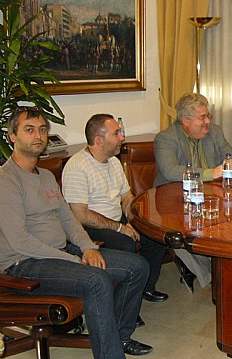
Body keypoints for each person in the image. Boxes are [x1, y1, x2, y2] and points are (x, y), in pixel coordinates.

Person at [0, 107, 153, 359]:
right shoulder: (6, 180)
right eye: (29, 129)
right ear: (11, 136)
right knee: (96, 281)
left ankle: (119, 337)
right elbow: (19, 240)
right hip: (24, 263)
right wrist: (74, 260)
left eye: (43, 129)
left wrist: (88, 248)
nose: (38, 135)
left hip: (60, 252)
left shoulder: (44, 176)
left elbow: (70, 220)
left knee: (137, 266)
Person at [62, 114, 169, 314]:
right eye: (117, 133)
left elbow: (127, 197)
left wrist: (134, 221)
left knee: (155, 235)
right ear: (99, 140)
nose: (122, 138)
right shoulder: (77, 167)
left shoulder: (113, 161)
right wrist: (121, 228)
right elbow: (80, 214)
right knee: (125, 244)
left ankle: (145, 288)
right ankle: (121, 306)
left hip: (115, 219)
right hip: (89, 227)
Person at [154, 92, 232, 291]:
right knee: (186, 230)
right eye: (202, 117)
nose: (207, 122)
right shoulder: (166, 139)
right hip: (175, 199)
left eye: (208, 116)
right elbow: (170, 171)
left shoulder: (215, 132)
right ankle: (210, 274)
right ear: (185, 120)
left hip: (212, 197)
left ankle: (219, 271)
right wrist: (211, 172)